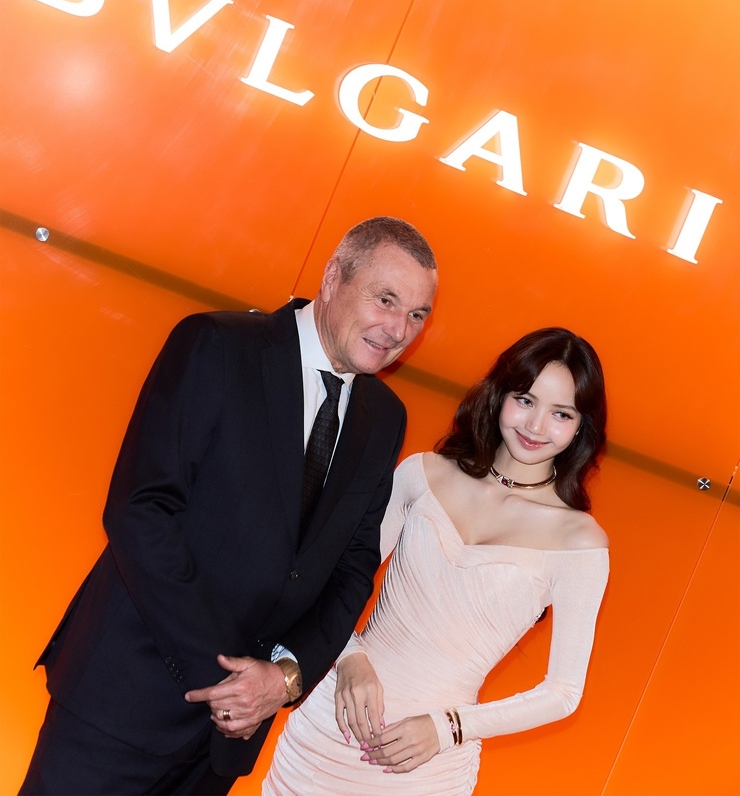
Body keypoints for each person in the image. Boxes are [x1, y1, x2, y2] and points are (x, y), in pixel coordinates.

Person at [20, 216, 438, 796]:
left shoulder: (385, 418)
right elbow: (141, 510)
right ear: (333, 278)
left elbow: (351, 569)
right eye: (385, 299)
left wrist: (283, 679)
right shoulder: (217, 344)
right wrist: (227, 681)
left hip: (227, 742)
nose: (397, 329)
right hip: (122, 700)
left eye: (417, 315)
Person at [264, 327, 609, 795]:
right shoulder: (423, 473)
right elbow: (329, 579)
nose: (536, 425)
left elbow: (562, 693)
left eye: (561, 413)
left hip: (427, 765)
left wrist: (448, 728)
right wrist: (348, 655)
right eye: (525, 400)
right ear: (500, 395)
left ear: (581, 427)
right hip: (329, 729)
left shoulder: (580, 543)